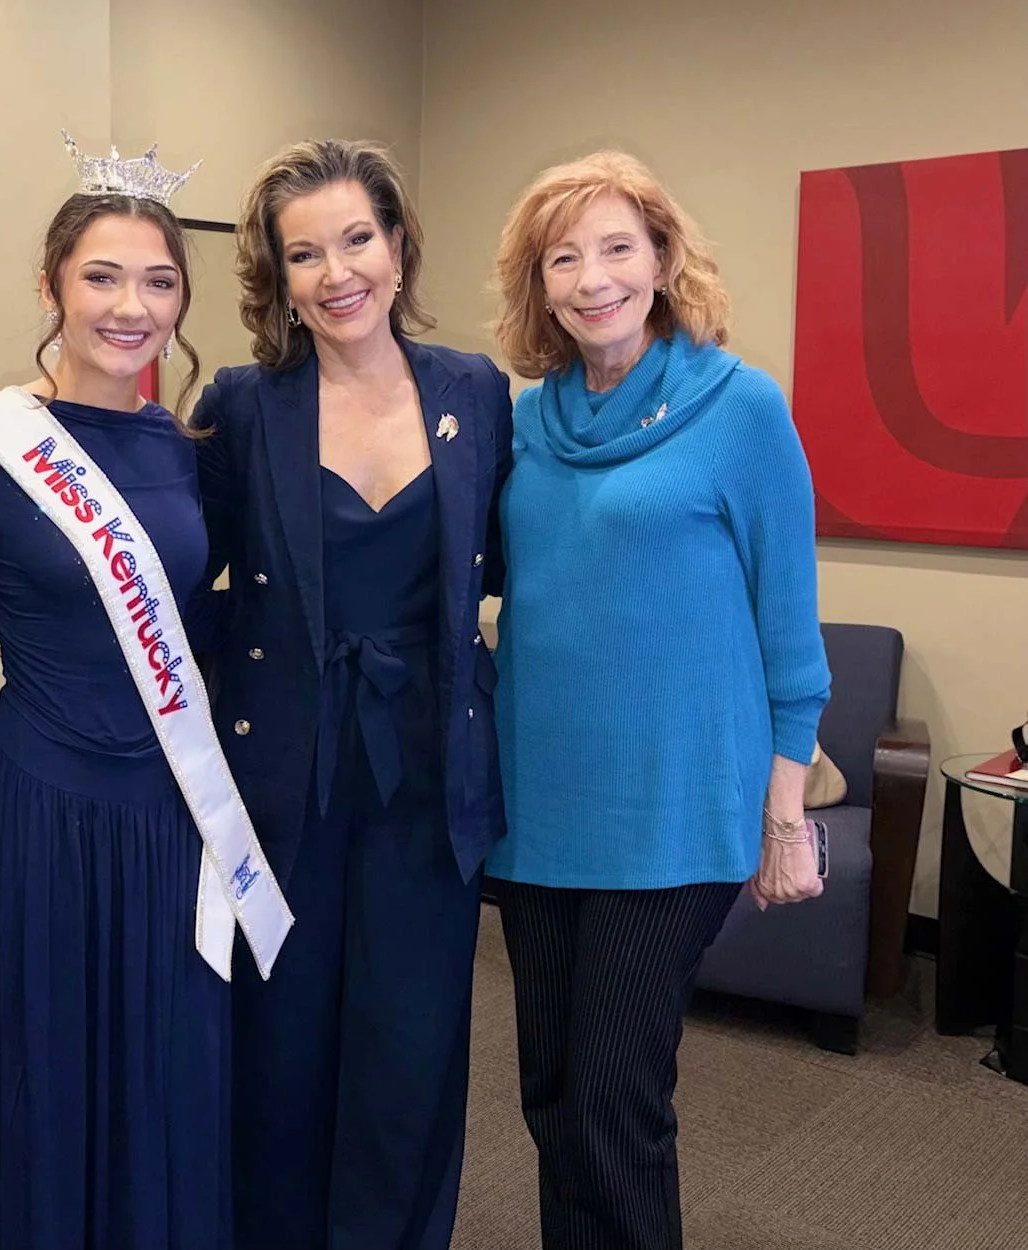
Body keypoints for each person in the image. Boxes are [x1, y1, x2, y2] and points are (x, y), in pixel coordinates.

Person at [0, 135, 290, 1250]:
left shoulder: (194, 449)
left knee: (163, 1057)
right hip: (34, 803)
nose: (130, 305)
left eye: (158, 281)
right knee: (41, 1056)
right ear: (50, 287)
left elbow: (223, 611)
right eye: (101, 276)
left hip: (167, 812)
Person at [487, 149, 831, 1250]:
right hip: (536, 810)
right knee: (548, 1092)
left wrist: (783, 819)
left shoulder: (738, 408)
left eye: (617, 248)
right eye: (563, 257)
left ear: (663, 257)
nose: (592, 279)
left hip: (673, 817)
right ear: (536, 284)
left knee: (611, 1101)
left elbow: (789, 634)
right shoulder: (523, 424)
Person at [192, 138, 511, 1250]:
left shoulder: (472, 387)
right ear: (276, 278)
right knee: (278, 1045)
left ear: (395, 244)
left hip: (429, 768)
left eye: (356, 239)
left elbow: (510, 560)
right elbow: (189, 579)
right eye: (304, 254)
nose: (337, 273)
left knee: (409, 1044)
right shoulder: (240, 406)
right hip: (286, 772)